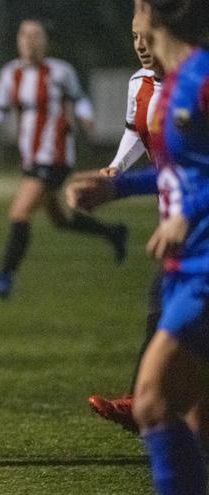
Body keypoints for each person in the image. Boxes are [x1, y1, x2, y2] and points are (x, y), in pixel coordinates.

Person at [67, 0, 209, 492]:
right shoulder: (169, 84)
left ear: (153, 13)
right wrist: (118, 187)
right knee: (190, 416)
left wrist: (188, 214)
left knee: (151, 403)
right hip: (186, 261)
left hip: (205, 263)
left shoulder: (202, 78)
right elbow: (183, 170)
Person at [0, 19, 128, 299]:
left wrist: (86, 117)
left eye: (36, 35)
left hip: (55, 156)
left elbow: (79, 98)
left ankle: (4, 279)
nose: (30, 40)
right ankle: (114, 232)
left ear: (45, 41)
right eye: (25, 35)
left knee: (20, 213)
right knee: (61, 220)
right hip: (31, 158)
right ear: (18, 40)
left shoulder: (60, 71)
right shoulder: (10, 73)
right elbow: (0, 107)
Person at [85, 9, 165, 434]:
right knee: (164, 308)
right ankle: (141, 402)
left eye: (146, 35)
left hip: (193, 217)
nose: (139, 44)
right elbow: (136, 130)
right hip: (179, 218)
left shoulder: (195, 86)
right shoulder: (141, 83)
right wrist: (118, 168)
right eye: (134, 35)